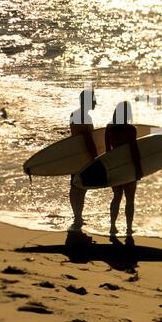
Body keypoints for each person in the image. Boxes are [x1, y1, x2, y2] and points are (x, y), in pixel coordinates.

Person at [105, 101, 143, 237]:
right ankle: (128, 228)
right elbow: (134, 151)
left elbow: (107, 151)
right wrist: (139, 169)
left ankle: (112, 227)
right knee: (130, 199)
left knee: (116, 197)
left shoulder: (109, 128)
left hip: (115, 166)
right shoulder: (131, 129)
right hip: (129, 167)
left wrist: (110, 168)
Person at [69, 89, 97, 230]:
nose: (96, 102)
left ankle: (78, 216)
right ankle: (77, 217)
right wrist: (95, 158)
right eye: (93, 100)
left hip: (75, 155)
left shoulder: (74, 114)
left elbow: (75, 137)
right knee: (79, 187)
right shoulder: (85, 117)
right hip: (83, 157)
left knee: (77, 186)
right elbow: (88, 141)